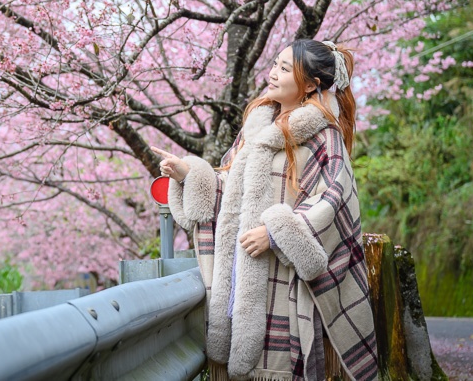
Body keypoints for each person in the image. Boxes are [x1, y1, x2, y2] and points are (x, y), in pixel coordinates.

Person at [152, 39, 379, 381]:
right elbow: (229, 192)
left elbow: (334, 200)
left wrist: (276, 234)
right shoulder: (256, 127)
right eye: (275, 64)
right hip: (240, 275)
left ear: (310, 85)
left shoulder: (324, 136)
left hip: (284, 277)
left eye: (285, 69)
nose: (272, 73)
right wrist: (190, 175)